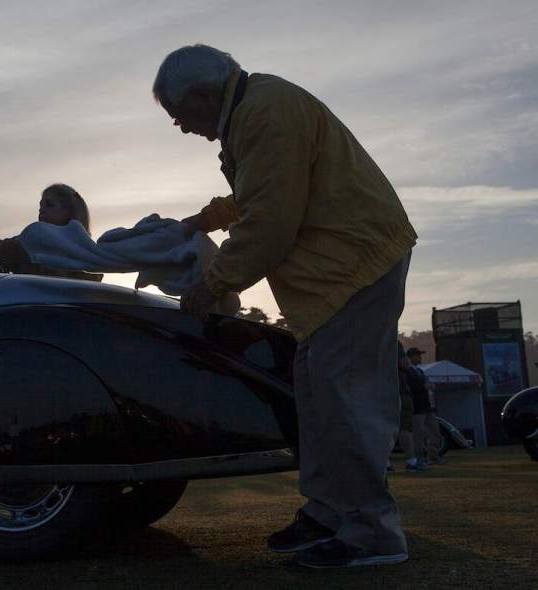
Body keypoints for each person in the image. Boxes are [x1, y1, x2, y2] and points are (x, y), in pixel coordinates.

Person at [153, 45, 417, 568]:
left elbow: (269, 221)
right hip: (335, 276)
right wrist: (201, 221)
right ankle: (328, 513)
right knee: (319, 397)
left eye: (178, 116)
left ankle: (371, 531)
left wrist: (213, 283)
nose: (181, 128)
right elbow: (260, 193)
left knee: (345, 399)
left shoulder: (266, 114)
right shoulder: (256, 110)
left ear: (203, 95)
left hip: (352, 269)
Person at [0, 183, 102, 282]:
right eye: (41, 206)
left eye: (49, 205)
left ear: (69, 211)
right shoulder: (32, 240)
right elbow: (0, 249)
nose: (41, 211)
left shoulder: (89, 256)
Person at [407, 347, 446, 465]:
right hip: (417, 407)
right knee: (418, 435)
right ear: (411, 357)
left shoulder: (419, 371)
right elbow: (411, 388)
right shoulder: (408, 372)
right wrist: (424, 385)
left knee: (435, 432)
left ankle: (433, 455)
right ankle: (420, 458)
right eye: (418, 355)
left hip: (426, 406)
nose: (420, 357)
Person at [399, 343, 426, 472]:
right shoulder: (393, 343)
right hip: (401, 394)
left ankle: (385, 463)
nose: (420, 358)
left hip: (382, 391)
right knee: (405, 429)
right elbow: (404, 364)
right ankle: (412, 461)